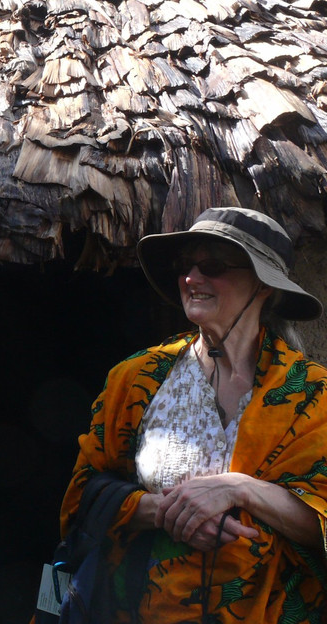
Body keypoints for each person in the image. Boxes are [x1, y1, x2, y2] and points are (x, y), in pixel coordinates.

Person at [56, 206, 327, 623]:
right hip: (138, 609)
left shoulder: (312, 394)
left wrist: (240, 489)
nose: (191, 279)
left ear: (263, 287)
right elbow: (82, 496)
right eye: (186, 266)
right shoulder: (137, 378)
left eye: (213, 266)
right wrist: (170, 513)